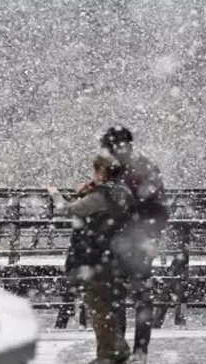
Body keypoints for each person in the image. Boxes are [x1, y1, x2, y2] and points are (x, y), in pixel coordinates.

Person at [48, 153, 135, 364]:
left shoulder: (102, 195)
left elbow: (69, 210)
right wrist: (87, 192)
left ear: (102, 172)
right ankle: (119, 349)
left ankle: (107, 354)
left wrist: (55, 194)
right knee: (114, 305)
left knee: (100, 308)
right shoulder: (123, 192)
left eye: (95, 171)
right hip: (119, 257)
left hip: (97, 259)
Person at [99, 126, 168, 364]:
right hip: (131, 240)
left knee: (122, 297)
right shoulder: (141, 168)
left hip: (129, 240)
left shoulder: (131, 170)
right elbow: (160, 208)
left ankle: (130, 349)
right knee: (133, 297)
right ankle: (133, 350)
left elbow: (157, 208)